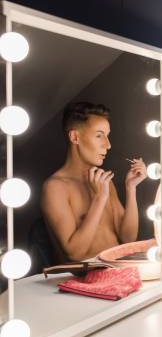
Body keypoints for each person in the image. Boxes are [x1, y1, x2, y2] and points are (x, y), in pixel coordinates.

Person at [41, 102, 147, 262]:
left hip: (118, 269)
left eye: (107, 135)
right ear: (75, 137)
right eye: (99, 135)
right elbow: (74, 254)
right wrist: (99, 198)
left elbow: (128, 239)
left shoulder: (103, 182)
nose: (108, 145)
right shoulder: (55, 187)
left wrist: (131, 188)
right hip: (83, 280)